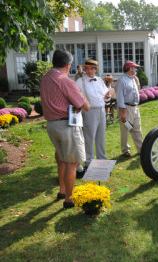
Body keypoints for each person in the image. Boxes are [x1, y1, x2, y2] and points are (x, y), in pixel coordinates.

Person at [40, 50, 90, 209]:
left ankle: (62, 191)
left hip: (51, 125)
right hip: (66, 125)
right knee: (72, 163)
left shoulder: (46, 78)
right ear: (68, 65)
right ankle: (69, 199)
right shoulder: (65, 81)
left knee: (61, 159)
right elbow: (85, 106)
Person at [75, 60, 110, 172]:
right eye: (87, 68)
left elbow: (106, 97)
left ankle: (102, 159)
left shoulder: (99, 80)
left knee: (101, 137)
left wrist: (107, 96)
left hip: (101, 110)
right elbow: (75, 96)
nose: (89, 71)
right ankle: (89, 162)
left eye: (92, 68)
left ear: (96, 69)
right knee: (89, 137)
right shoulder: (80, 81)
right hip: (89, 111)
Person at [116, 61, 143, 157]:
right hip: (126, 108)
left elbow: (136, 92)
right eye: (134, 68)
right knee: (125, 130)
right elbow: (120, 98)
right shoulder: (122, 80)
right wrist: (123, 113)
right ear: (129, 68)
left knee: (137, 128)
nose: (136, 69)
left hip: (134, 107)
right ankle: (125, 150)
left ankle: (141, 149)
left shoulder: (133, 79)